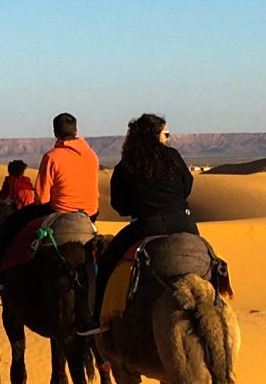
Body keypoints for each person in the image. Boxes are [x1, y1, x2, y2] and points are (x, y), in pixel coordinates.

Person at [83, 112, 197, 330]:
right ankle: (215, 304)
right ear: (154, 135)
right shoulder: (173, 156)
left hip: (147, 226)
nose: (168, 138)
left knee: (107, 263)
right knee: (207, 258)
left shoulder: (126, 165)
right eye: (166, 134)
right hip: (184, 223)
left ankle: (96, 318)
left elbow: (120, 205)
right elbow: (187, 186)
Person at [34, 112, 101, 218]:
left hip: (59, 213)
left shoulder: (51, 157)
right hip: (91, 214)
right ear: (76, 131)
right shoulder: (92, 155)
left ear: (55, 133)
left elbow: (42, 198)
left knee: (13, 221)